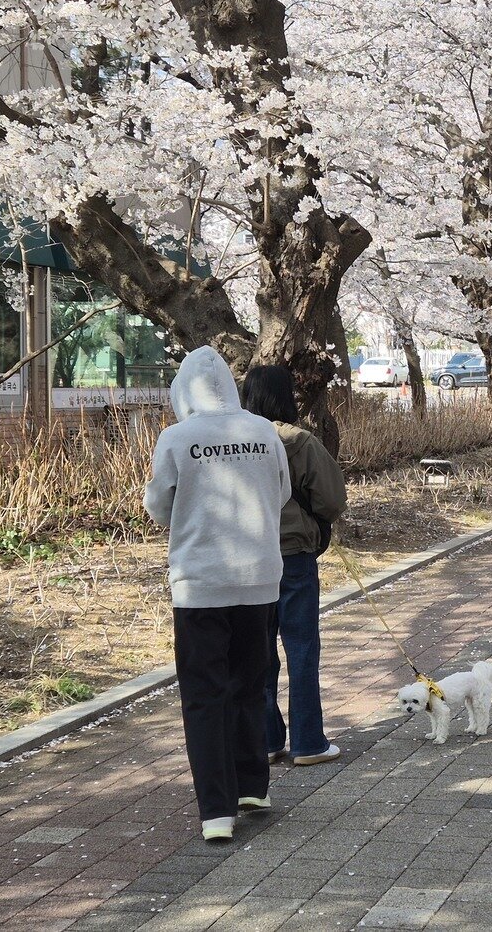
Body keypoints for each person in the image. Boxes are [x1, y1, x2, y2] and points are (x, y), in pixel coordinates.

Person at [144, 346, 289, 843]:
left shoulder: (177, 438)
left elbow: (158, 505)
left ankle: (216, 811)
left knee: (205, 696)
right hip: (259, 578)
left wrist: (192, 517)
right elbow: (282, 492)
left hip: (201, 583)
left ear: (183, 391)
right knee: (250, 683)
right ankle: (253, 786)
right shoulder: (263, 431)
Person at [241, 365, 346, 768]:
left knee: (258, 650)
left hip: (248, 558)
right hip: (293, 556)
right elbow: (332, 500)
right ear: (287, 396)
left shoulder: (233, 442)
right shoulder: (299, 441)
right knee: (301, 648)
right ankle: (308, 742)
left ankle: (267, 740)